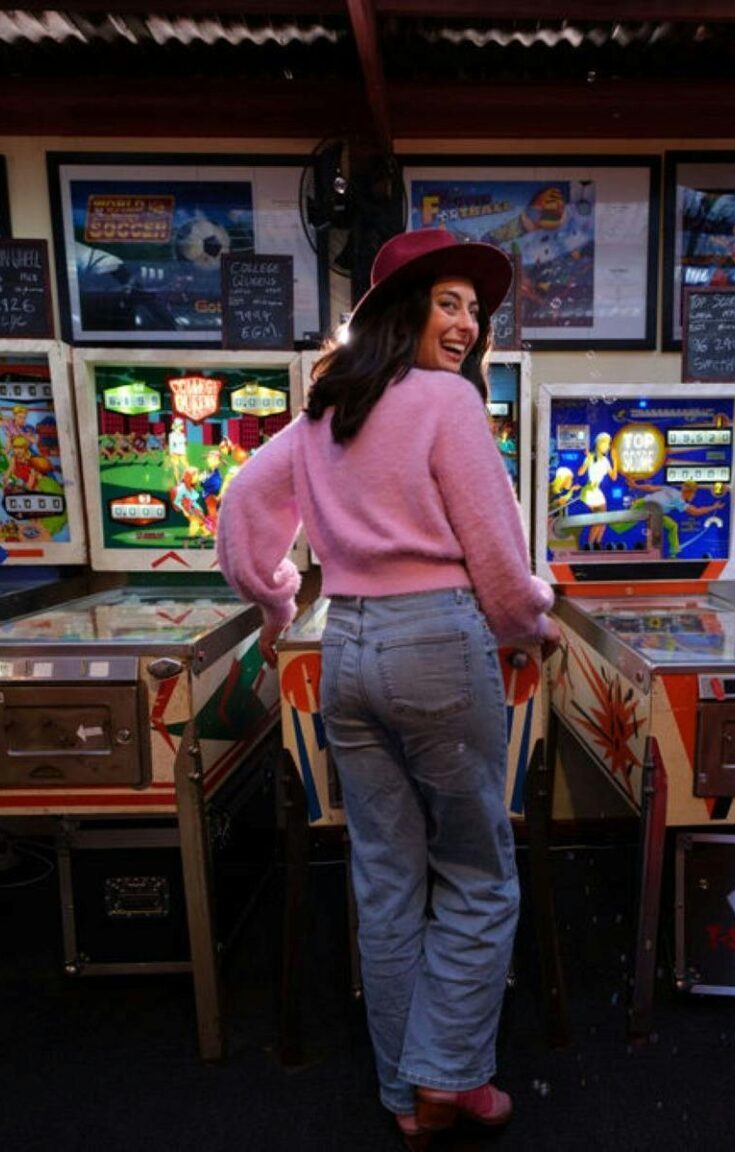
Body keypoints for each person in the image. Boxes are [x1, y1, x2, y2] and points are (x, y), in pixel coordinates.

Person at [216, 228, 561, 1150]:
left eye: (474, 310)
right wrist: (533, 620)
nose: (465, 324)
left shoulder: (329, 411)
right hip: (441, 646)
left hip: (351, 652)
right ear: (404, 313)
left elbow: (243, 505)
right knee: (480, 875)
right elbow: (496, 556)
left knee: (384, 875)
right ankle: (451, 1075)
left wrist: (277, 594)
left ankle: (407, 1095)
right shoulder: (447, 402)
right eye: (447, 302)